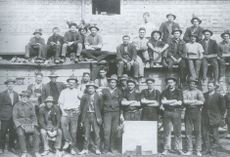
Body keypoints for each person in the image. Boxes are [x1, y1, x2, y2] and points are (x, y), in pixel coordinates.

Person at [58, 76, 83, 155]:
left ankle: (72, 147)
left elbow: (84, 101)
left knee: (73, 131)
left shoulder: (78, 91)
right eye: (70, 82)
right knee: (63, 124)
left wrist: (79, 110)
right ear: (68, 83)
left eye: (73, 82)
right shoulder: (64, 91)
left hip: (74, 113)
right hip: (65, 112)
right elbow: (60, 103)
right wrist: (63, 112)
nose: (71, 84)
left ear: (75, 83)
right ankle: (67, 141)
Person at [161, 76, 184, 155]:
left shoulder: (179, 91)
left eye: (171, 82)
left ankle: (179, 148)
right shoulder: (164, 92)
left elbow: (180, 103)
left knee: (177, 131)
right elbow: (163, 102)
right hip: (167, 112)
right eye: (168, 82)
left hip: (176, 112)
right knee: (167, 131)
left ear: (174, 83)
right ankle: (166, 148)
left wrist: (168, 101)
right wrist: (174, 101)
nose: (170, 84)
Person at [13, 90, 40, 157]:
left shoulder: (31, 105)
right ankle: (24, 151)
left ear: (28, 98)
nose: (24, 98)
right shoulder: (16, 105)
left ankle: (36, 151)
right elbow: (14, 117)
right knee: (21, 134)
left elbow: (34, 116)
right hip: (20, 124)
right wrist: (20, 125)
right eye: (23, 97)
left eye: (26, 97)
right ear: (21, 97)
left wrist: (34, 124)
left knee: (36, 133)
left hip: (30, 123)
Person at [202, 81, 226, 155]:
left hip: (215, 118)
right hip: (205, 118)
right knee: (205, 134)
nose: (209, 87)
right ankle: (207, 149)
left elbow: (223, 108)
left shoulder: (219, 96)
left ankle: (213, 150)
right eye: (208, 86)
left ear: (214, 87)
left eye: (211, 86)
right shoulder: (204, 95)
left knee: (214, 135)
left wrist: (220, 117)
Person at [101, 75, 123, 154]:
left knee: (114, 131)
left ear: (116, 83)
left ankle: (112, 147)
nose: (112, 84)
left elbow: (121, 104)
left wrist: (121, 114)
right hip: (107, 112)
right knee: (107, 130)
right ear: (109, 83)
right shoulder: (104, 91)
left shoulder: (119, 91)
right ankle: (106, 148)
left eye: (114, 82)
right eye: (111, 82)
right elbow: (101, 102)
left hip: (116, 112)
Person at [79, 82, 102, 155]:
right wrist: (82, 119)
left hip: (95, 116)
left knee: (97, 133)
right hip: (87, 115)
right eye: (89, 88)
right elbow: (82, 107)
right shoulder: (84, 96)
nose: (90, 89)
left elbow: (101, 107)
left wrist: (98, 116)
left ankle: (97, 148)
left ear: (95, 89)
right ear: (87, 89)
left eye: (92, 88)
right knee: (86, 133)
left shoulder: (98, 96)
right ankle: (85, 148)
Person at [183, 78, 205, 156]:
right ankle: (189, 149)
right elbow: (184, 101)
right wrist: (194, 101)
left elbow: (201, 102)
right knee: (188, 131)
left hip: (197, 112)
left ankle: (198, 150)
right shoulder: (185, 92)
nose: (191, 85)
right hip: (188, 112)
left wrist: (190, 102)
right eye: (190, 83)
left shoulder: (199, 92)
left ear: (196, 85)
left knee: (198, 131)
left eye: (193, 84)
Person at [0, 79, 19, 154]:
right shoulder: (2, 94)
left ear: (13, 85)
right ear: (7, 85)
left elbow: (17, 105)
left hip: (13, 117)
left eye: (12, 84)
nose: (10, 85)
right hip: (4, 116)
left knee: (12, 132)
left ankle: (11, 147)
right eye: (9, 84)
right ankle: (1, 147)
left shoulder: (16, 94)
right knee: (3, 132)